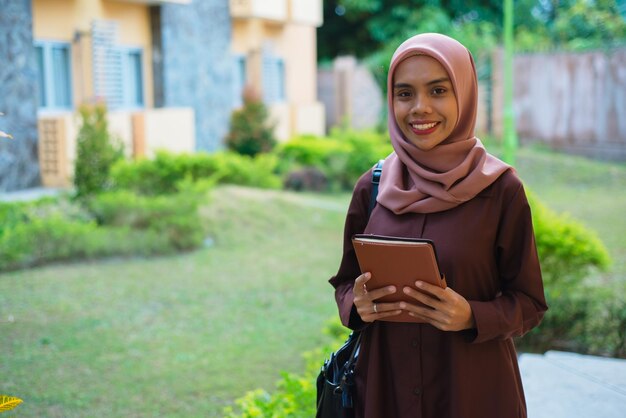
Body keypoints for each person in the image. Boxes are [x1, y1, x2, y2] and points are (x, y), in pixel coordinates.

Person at [329, 33, 548, 418]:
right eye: (404, 93)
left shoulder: (501, 190)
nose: (420, 108)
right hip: (385, 391)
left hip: (472, 392)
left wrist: (471, 316)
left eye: (438, 90)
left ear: (463, 94)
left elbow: (529, 303)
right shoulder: (373, 186)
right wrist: (357, 304)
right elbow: (346, 283)